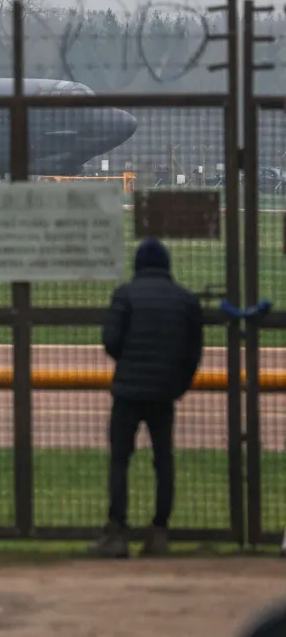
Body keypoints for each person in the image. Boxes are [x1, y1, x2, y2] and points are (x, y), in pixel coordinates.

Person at [89, 237, 204, 559]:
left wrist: (128, 363)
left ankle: (117, 531)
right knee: (163, 460)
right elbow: (193, 351)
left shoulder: (125, 295)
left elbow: (111, 340)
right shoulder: (185, 300)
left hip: (128, 390)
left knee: (120, 460)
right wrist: (178, 384)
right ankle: (159, 531)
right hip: (165, 391)